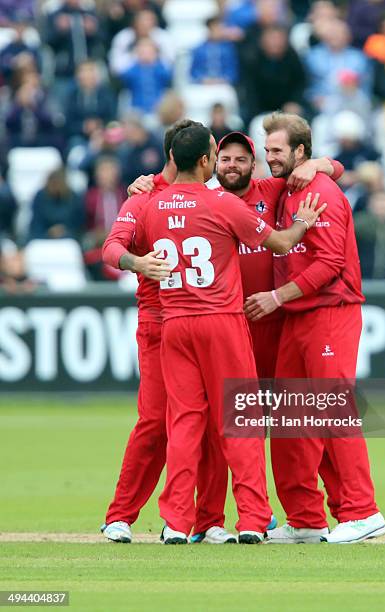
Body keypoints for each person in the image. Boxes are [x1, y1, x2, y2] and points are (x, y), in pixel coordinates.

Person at [116, 128, 342, 542]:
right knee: (242, 419)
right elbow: (278, 243)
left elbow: (115, 247)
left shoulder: (149, 201)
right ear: (207, 160)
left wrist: (136, 260)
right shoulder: (221, 202)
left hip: (174, 322)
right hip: (222, 319)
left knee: (183, 423)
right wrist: (303, 223)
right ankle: (254, 520)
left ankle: (176, 524)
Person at [244, 112, 385, 544]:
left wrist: (276, 297)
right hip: (299, 316)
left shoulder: (318, 189)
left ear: (300, 152)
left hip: (329, 312)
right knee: (291, 417)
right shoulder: (289, 187)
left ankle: (364, 511)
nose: (269, 158)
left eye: (276, 151)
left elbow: (329, 264)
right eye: (266, 150)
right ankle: (306, 517)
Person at [101, 119, 236, 544]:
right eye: (213, 151)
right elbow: (111, 248)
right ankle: (121, 514)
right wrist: (137, 264)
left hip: (205, 318)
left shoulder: (212, 195)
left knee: (217, 423)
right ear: (193, 154)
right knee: (156, 420)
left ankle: (209, 520)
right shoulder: (144, 196)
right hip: (161, 323)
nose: (216, 158)